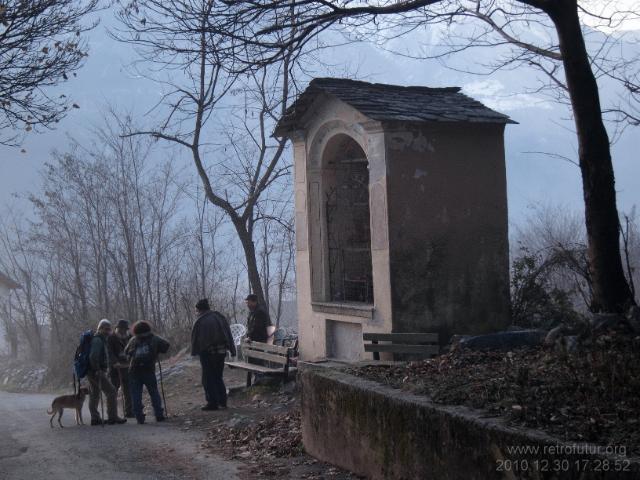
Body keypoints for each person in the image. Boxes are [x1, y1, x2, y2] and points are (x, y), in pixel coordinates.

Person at [191, 298, 236, 411]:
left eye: (196, 310)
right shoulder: (219, 317)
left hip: (208, 354)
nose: (196, 312)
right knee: (218, 377)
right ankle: (222, 401)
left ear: (200, 310)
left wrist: (196, 351)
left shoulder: (201, 321)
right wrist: (232, 349)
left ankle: (212, 403)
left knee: (207, 378)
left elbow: (198, 340)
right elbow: (228, 334)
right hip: (221, 353)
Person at [125, 321, 170, 424]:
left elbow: (126, 351)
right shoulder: (154, 338)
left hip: (134, 370)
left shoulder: (133, 340)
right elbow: (166, 345)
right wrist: (157, 350)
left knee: (136, 394)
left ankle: (139, 417)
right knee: (153, 392)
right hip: (148, 370)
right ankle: (159, 415)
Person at [87, 319, 127, 426]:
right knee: (112, 391)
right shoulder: (98, 340)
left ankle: (95, 419)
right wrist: (97, 370)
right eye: (105, 329)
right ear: (99, 328)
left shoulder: (102, 339)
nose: (107, 331)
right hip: (95, 371)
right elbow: (93, 356)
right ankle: (112, 417)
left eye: (109, 329)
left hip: (92, 371)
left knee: (94, 394)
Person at [107, 319, 133, 418]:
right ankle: (113, 414)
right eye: (120, 329)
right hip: (115, 369)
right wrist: (114, 362)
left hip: (127, 367)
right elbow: (109, 352)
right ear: (117, 328)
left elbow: (132, 350)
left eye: (124, 329)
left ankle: (129, 412)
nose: (122, 331)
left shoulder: (130, 337)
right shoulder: (111, 338)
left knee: (128, 391)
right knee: (113, 391)